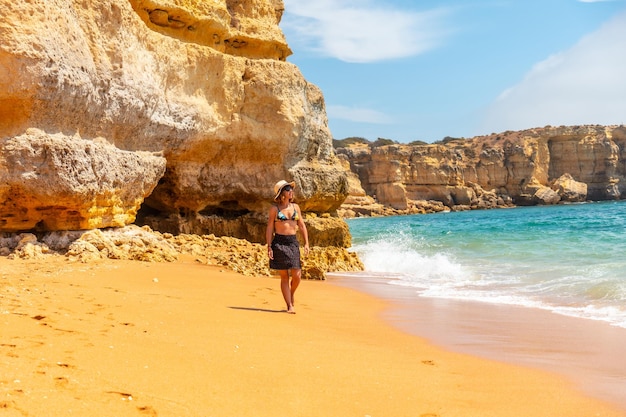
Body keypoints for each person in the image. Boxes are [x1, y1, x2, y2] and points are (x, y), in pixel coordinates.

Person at [266, 180, 310, 314]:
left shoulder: (296, 207)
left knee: (297, 275)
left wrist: (306, 243)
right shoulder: (275, 209)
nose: (291, 192)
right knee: (284, 276)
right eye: (288, 189)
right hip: (279, 242)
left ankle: (291, 295)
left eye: (291, 189)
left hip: (293, 242)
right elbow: (269, 228)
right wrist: (269, 246)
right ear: (281, 193)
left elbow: (301, 225)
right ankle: (289, 305)